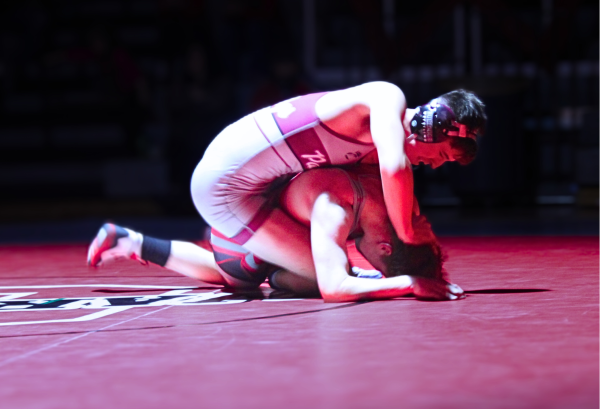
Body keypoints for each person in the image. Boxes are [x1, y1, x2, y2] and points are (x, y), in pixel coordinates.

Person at [188, 82, 485, 275]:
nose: (434, 166)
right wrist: (406, 234)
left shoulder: (376, 150)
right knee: (324, 276)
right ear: (430, 128)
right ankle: (257, 256)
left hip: (262, 186)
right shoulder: (385, 97)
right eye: (443, 155)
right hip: (224, 188)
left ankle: (140, 244)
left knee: (248, 279)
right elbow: (394, 170)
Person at [88, 165, 464, 302]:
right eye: (379, 263)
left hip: (246, 217)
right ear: (384, 245)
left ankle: (130, 241)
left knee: (240, 273)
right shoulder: (333, 208)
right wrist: (408, 283)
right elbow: (335, 289)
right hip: (240, 235)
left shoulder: (389, 193)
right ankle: (131, 242)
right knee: (327, 279)